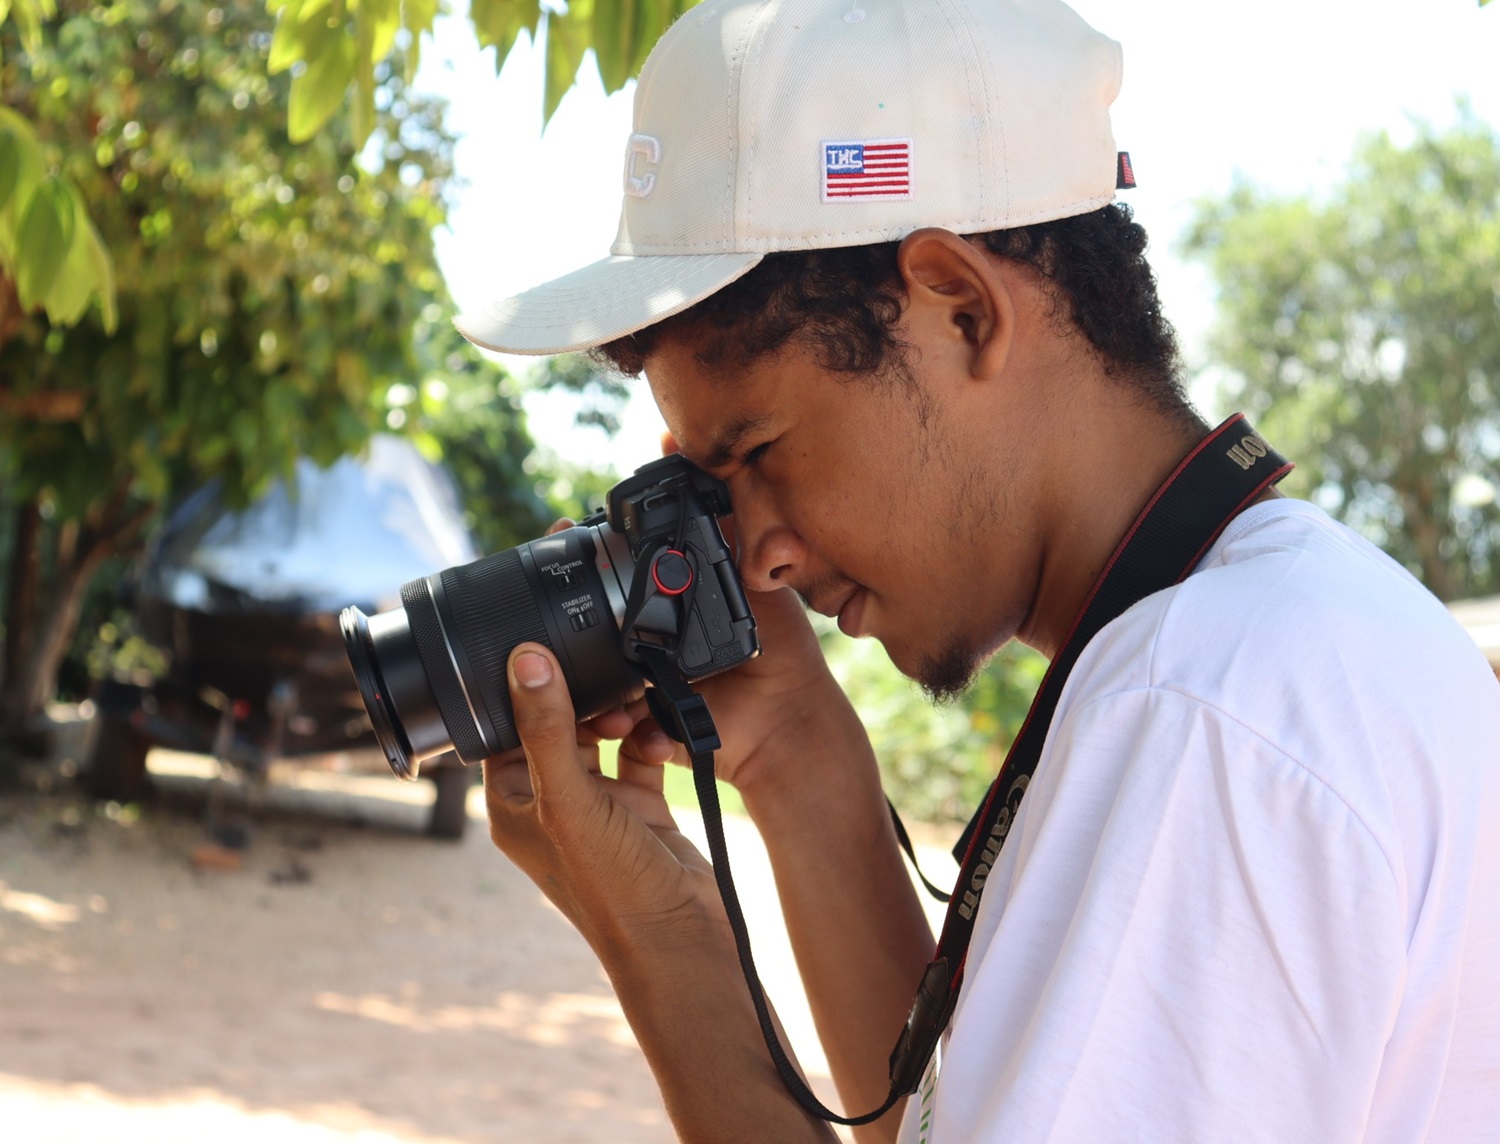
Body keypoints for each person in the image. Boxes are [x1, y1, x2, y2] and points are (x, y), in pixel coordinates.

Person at [455, 1, 1500, 1140]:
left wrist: (656, 938)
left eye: (756, 453)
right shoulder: (1285, 632)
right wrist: (799, 753)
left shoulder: (1204, 708)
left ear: (960, 307)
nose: (756, 552)